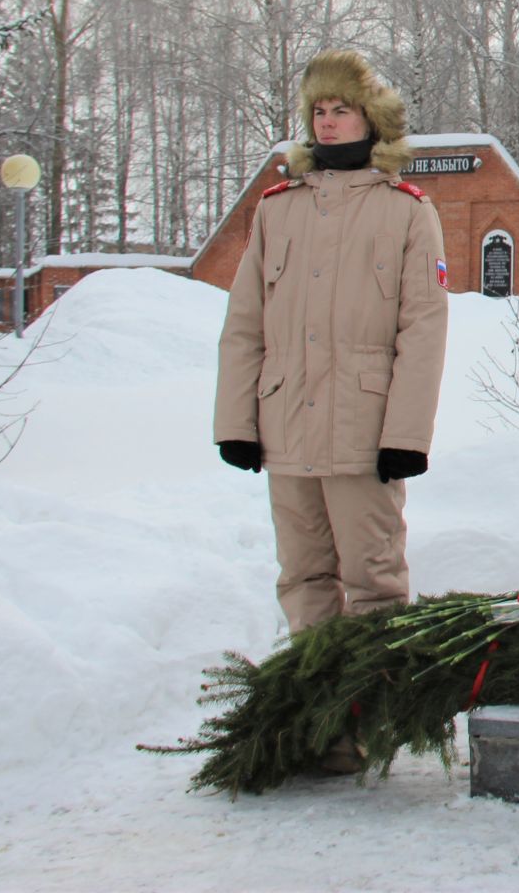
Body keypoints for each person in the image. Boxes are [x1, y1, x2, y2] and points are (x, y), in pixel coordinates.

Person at [214, 50, 449, 674]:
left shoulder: (406, 210)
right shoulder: (277, 207)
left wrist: (405, 437)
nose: (327, 122)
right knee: (303, 578)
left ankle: (368, 719)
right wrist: (236, 423)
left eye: (341, 110)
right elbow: (244, 325)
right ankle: (317, 719)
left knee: (373, 584)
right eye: (318, 111)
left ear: (371, 118)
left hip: (364, 431)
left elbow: (422, 331)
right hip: (286, 424)